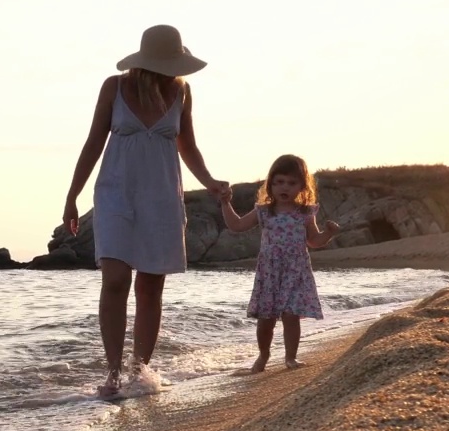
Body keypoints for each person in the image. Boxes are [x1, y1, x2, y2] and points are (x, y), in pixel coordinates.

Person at [61, 24, 230, 397]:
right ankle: (112, 372)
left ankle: (140, 371)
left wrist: (210, 181)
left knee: (151, 287)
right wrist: (72, 196)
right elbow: (93, 143)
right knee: (116, 280)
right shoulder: (114, 87)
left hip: (162, 197)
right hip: (115, 195)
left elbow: (189, 147)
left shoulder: (182, 92)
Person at [218, 154, 340, 372]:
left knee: (291, 316)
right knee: (266, 319)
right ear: (271, 184)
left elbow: (314, 241)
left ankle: (290, 357)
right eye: (279, 182)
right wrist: (225, 203)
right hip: (270, 272)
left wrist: (328, 233)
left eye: (292, 183)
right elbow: (236, 225)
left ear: (302, 186)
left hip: (296, 271)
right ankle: (263, 356)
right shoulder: (264, 211)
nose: (285, 187)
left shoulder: (304, 213)